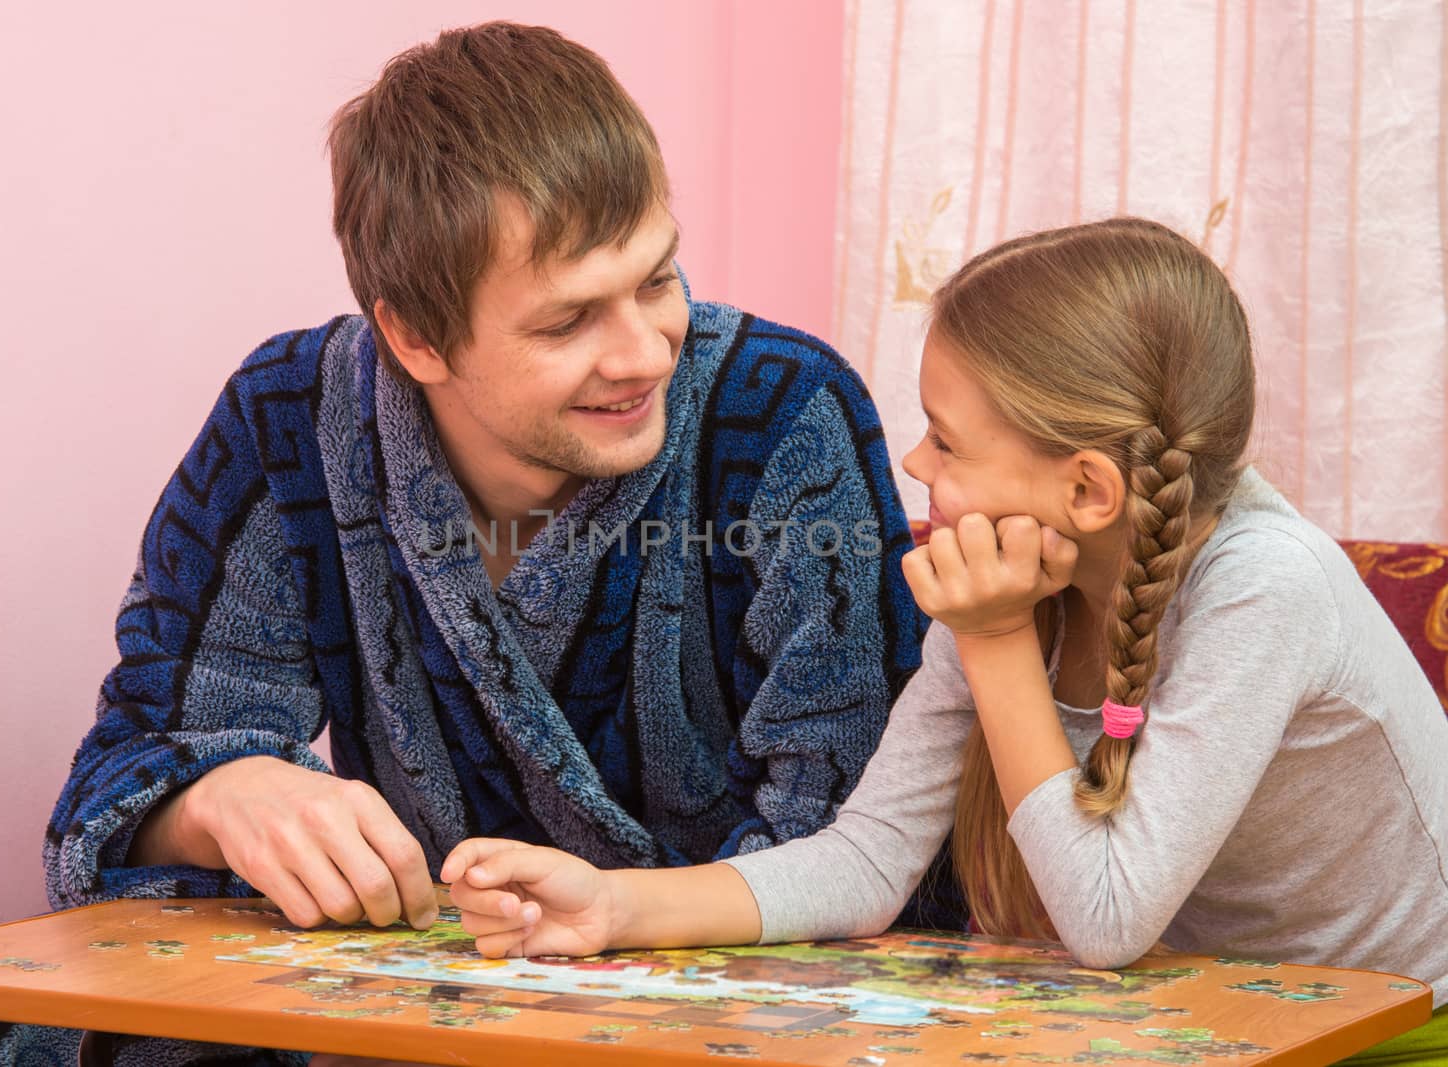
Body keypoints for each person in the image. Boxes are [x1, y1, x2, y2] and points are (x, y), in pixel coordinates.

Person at [0, 20, 960, 1067]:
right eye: (567, 323)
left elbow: (864, 850)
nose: (647, 348)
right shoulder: (290, 419)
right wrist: (223, 794)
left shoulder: (784, 410)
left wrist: (608, 928)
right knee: (56, 1025)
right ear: (414, 337)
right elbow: (108, 803)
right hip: (419, 997)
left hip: (720, 986)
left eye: (657, 278)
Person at [444, 217, 1448, 1059]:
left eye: (948, 440)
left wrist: (999, 638)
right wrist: (611, 907)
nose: (915, 458)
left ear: (1088, 490)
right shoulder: (1014, 567)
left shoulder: (1265, 584)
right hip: (1211, 1021)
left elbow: (1106, 917)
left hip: (1400, 1029)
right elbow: (870, 857)